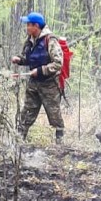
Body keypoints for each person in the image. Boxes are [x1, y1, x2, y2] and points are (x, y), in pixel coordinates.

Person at [12, 12, 65, 144]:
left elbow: (58, 63)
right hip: (33, 83)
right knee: (27, 112)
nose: (27, 27)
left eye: (29, 25)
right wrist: (20, 60)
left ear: (36, 26)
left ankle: (60, 142)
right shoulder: (30, 40)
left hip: (49, 84)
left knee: (54, 115)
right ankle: (18, 141)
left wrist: (41, 71)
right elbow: (29, 59)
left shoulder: (50, 40)